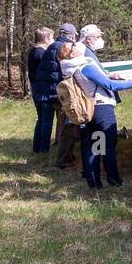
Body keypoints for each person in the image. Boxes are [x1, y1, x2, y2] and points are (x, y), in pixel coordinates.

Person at [64, 24, 132, 190]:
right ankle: (113, 179)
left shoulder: (71, 67)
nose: (78, 44)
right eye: (74, 45)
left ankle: (94, 182)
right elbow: (108, 84)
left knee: (95, 146)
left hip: (89, 109)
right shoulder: (85, 66)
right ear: (73, 53)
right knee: (107, 146)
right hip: (101, 109)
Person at [46, 23, 82, 170]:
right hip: (62, 92)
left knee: (65, 124)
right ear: (70, 35)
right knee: (68, 126)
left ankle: (67, 156)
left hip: (57, 90)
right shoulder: (62, 47)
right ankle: (64, 159)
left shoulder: (54, 46)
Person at [27, 27, 58, 153]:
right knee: (46, 120)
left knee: (41, 119)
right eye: (51, 37)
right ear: (46, 38)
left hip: (37, 89)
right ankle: (43, 148)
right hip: (43, 91)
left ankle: (37, 148)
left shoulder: (34, 51)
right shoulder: (41, 53)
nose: (53, 40)